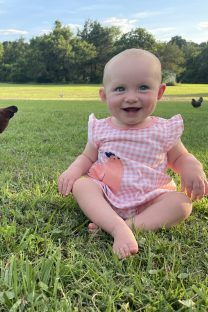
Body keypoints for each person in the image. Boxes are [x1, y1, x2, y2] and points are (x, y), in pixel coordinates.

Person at [58, 48, 208, 259]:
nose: (131, 97)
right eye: (120, 89)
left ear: (160, 92)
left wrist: (192, 166)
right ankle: (116, 225)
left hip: (153, 197)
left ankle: (126, 227)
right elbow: (87, 157)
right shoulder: (101, 128)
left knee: (182, 204)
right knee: (83, 185)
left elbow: (180, 158)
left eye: (143, 87)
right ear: (104, 95)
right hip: (108, 195)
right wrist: (73, 172)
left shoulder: (163, 130)